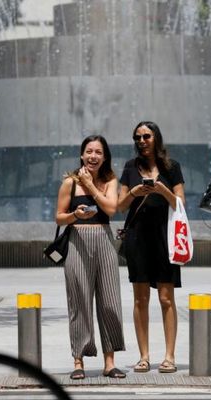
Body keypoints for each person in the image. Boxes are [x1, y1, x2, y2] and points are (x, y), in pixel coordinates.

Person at [55, 135, 126, 380]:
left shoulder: (110, 181)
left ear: (105, 157)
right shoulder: (69, 183)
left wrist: (91, 185)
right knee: (80, 302)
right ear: (81, 155)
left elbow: (110, 209)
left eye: (98, 152)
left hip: (104, 241)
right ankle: (78, 361)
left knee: (110, 301)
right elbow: (58, 217)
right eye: (89, 151)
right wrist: (75, 215)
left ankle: (110, 362)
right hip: (77, 241)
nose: (93, 156)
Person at [117, 121, 185, 374]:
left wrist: (163, 190)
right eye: (137, 137)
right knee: (140, 299)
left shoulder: (171, 166)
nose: (142, 141)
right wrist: (134, 191)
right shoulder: (130, 167)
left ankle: (169, 356)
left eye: (146, 136)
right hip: (137, 237)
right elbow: (119, 206)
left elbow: (181, 204)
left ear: (156, 137)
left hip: (165, 236)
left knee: (166, 298)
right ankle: (144, 355)